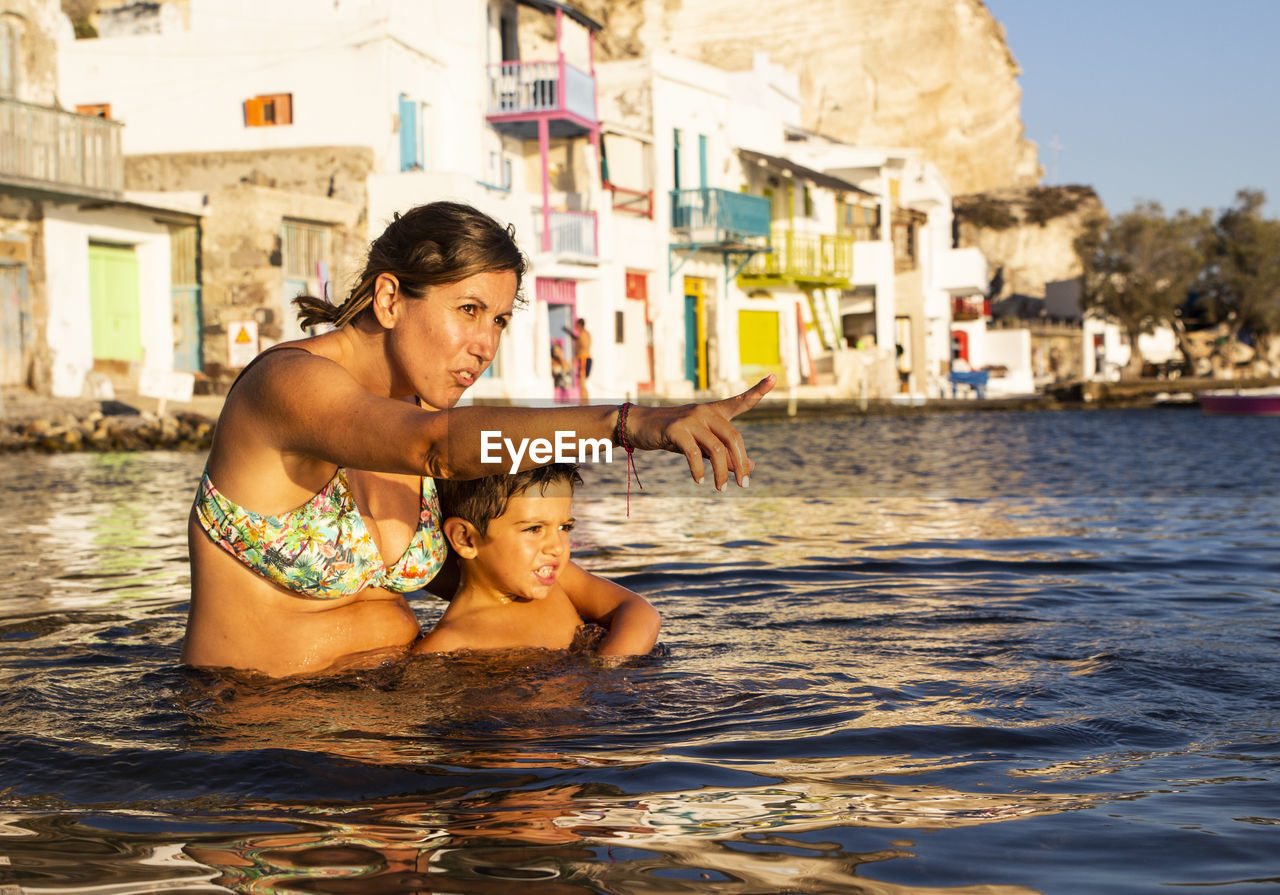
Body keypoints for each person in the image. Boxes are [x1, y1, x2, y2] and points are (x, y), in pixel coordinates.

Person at [183, 201, 773, 678]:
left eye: (498, 320)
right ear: (390, 299)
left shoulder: (419, 412)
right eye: (468, 309)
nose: (486, 345)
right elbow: (436, 446)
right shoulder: (286, 385)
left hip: (401, 739)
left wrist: (604, 664)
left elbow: (511, 566)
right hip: (264, 759)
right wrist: (630, 427)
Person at [412, 464, 659, 656]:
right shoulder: (447, 643)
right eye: (533, 529)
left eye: (564, 527)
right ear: (466, 539)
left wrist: (610, 671)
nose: (557, 547)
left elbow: (640, 612)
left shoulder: (560, 580)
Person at [564, 317, 592, 404]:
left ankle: (585, 403)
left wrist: (574, 360)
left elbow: (582, 348)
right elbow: (578, 341)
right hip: (585, 358)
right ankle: (585, 402)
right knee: (582, 383)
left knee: (582, 383)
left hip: (583, 359)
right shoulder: (585, 334)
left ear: (579, 325)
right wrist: (570, 334)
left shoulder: (583, 335)